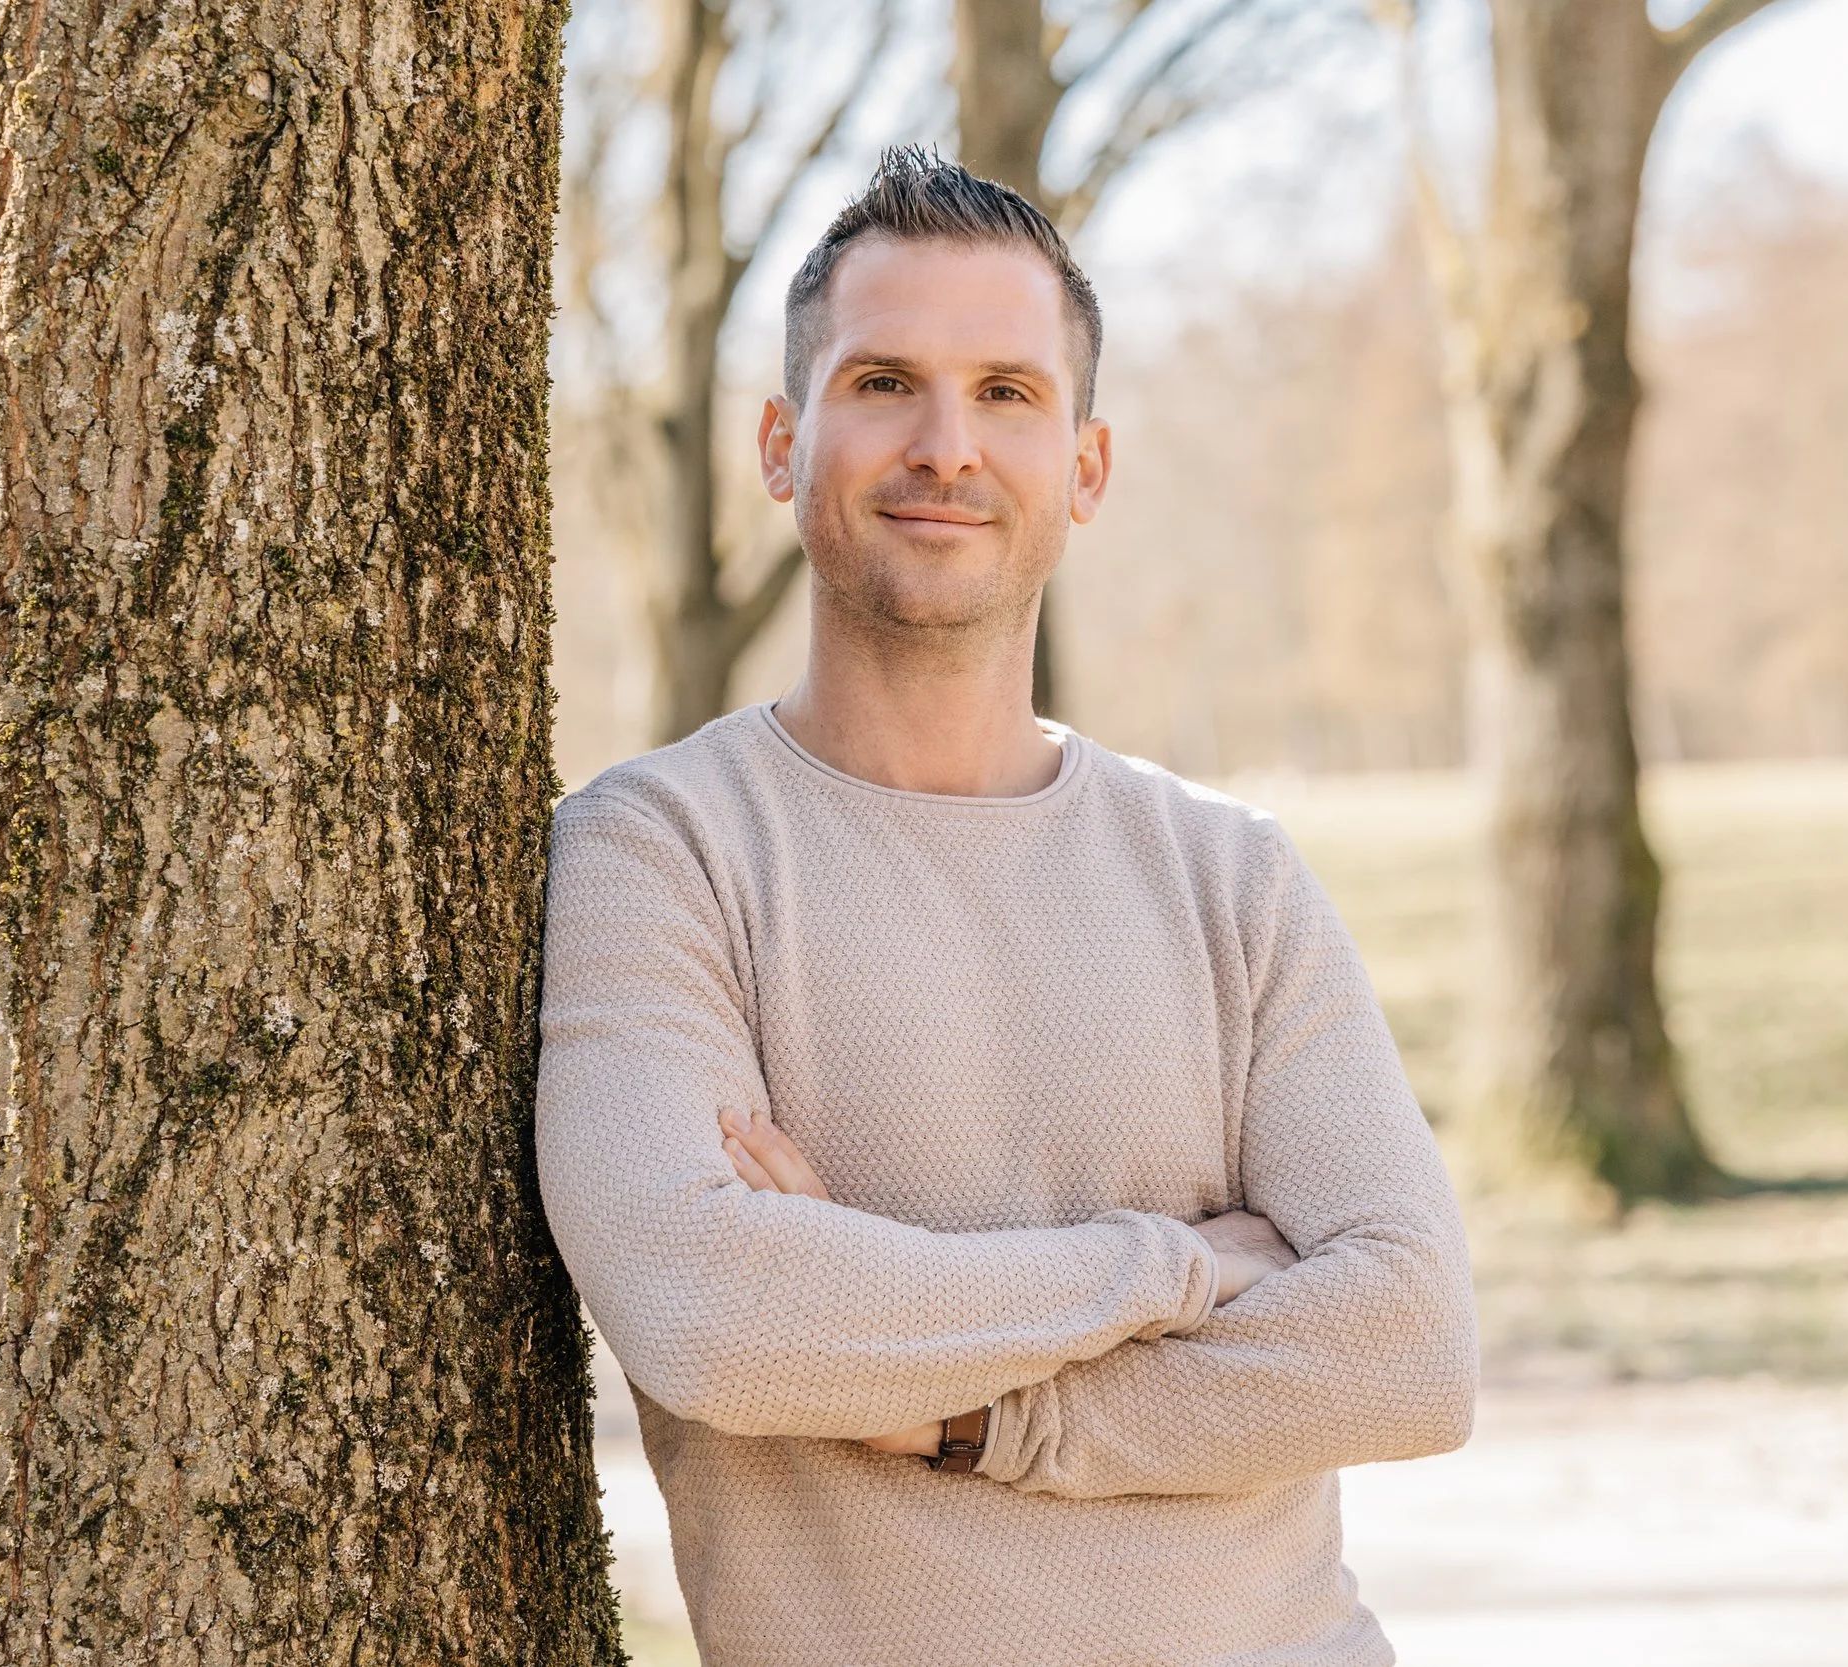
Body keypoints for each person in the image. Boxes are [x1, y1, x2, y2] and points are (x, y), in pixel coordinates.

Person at [535, 145, 1477, 1667]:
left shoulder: (1230, 873)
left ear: (1086, 466)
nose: (945, 445)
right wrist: (1185, 1267)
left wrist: (964, 1398)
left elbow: (1409, 1347)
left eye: (1009, 394)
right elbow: (713, 1308)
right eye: (885, 381)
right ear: (783, 442)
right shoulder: (659, 854)